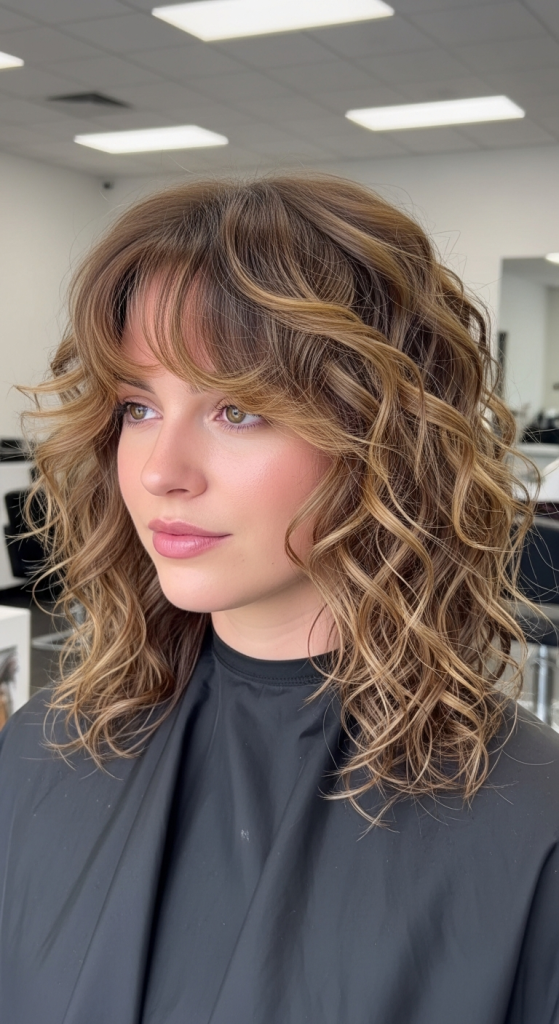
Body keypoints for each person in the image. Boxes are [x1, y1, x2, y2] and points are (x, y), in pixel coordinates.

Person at [0, 173, 558, 1024]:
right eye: (139, 407)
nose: (160, 472)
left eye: (237, 412)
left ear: (385, 437)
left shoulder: (532, 822)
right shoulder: (43, 749)